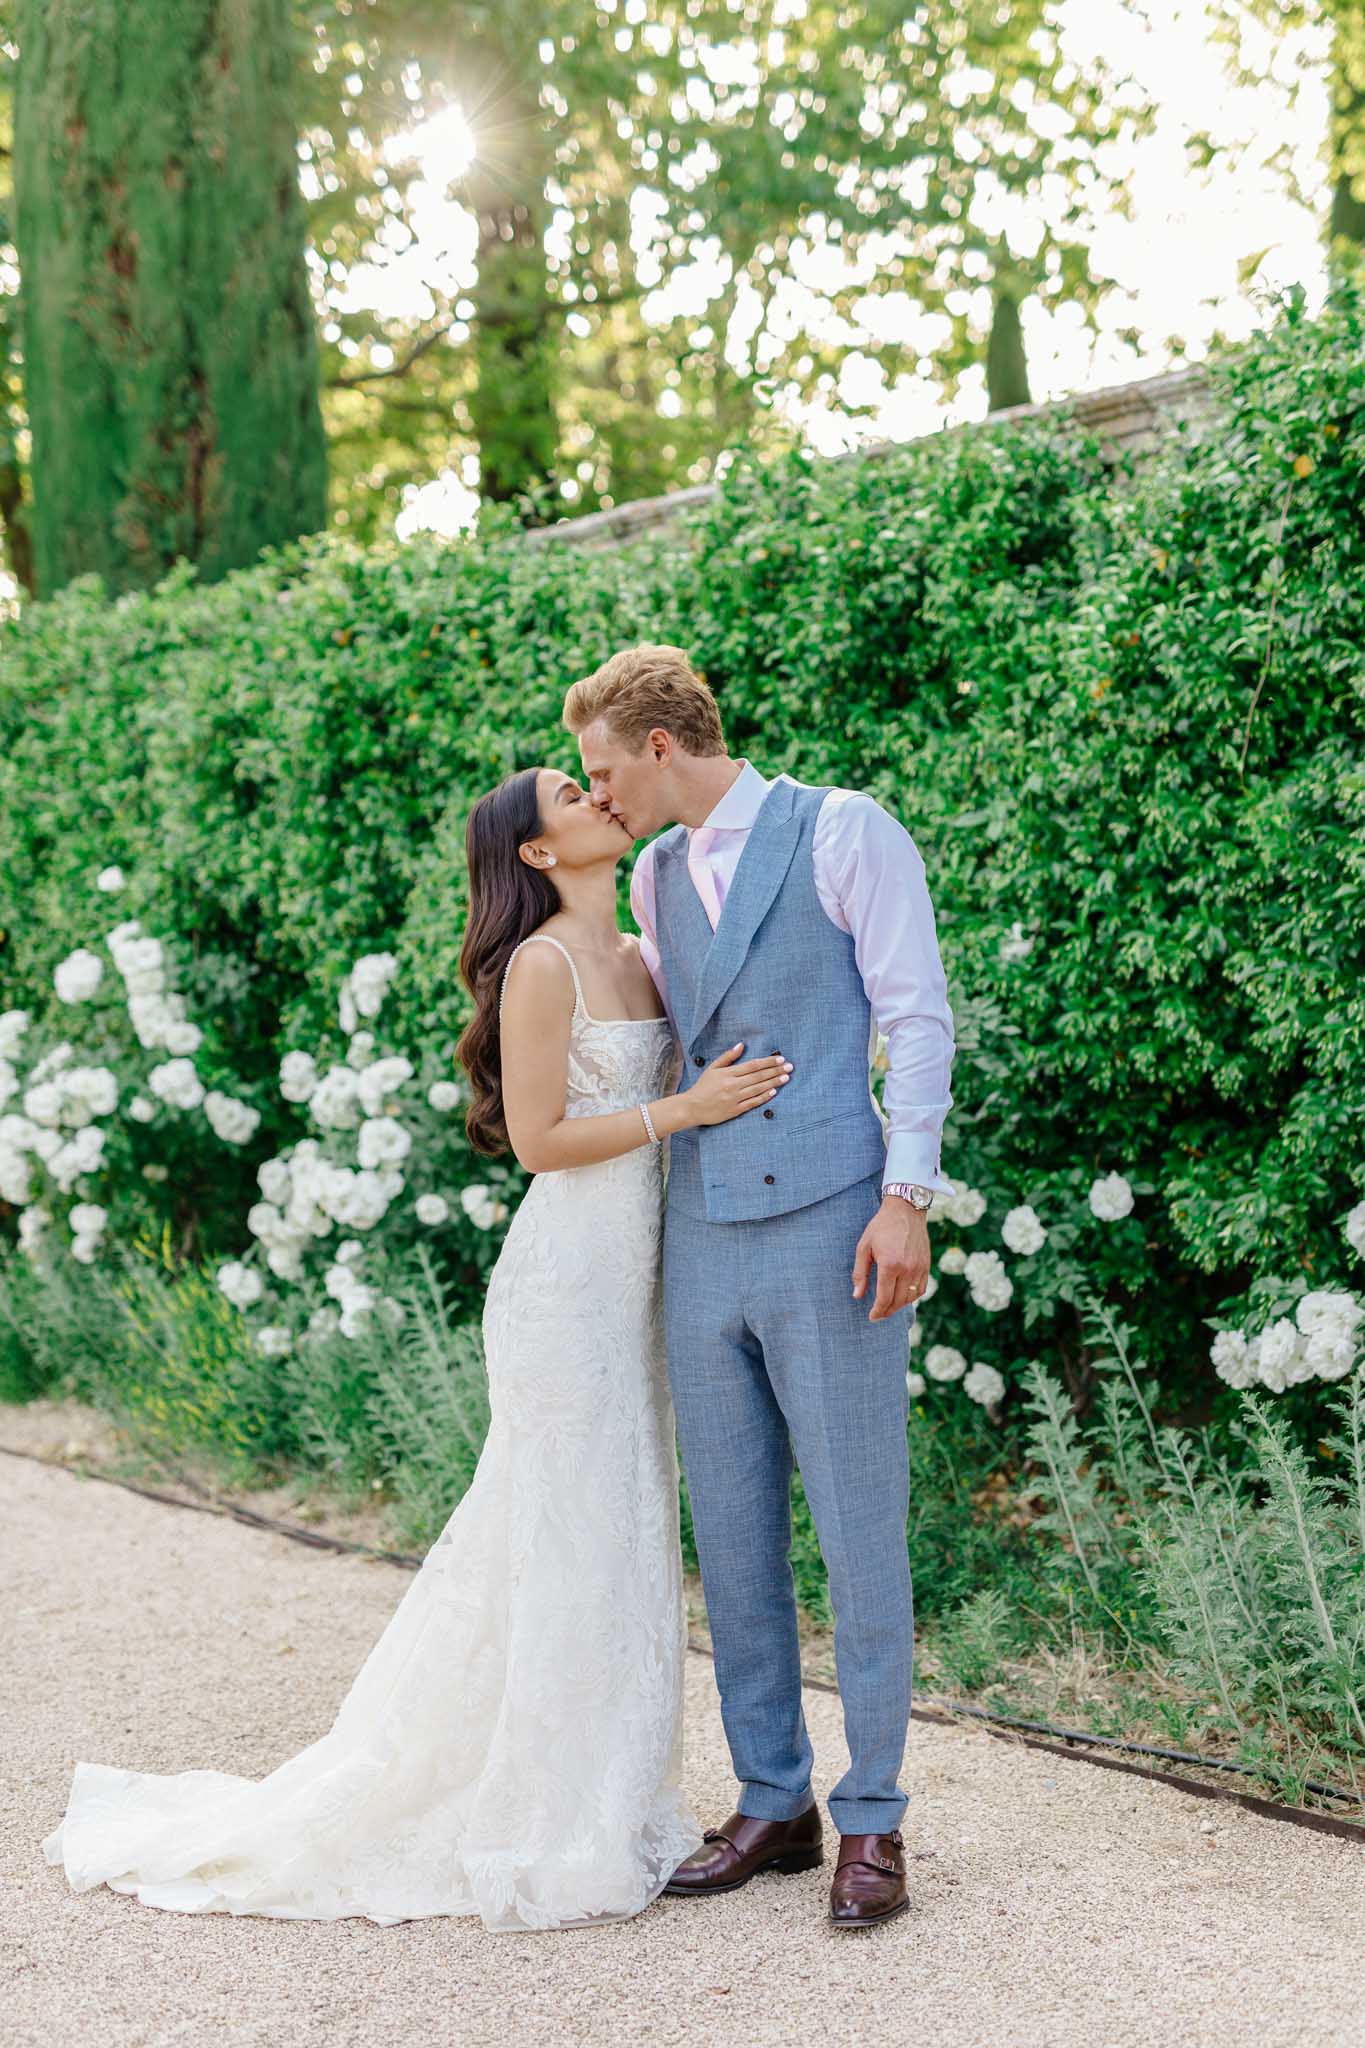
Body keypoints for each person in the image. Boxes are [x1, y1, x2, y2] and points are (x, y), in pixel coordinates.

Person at [40, 764, 791, 1933]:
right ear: (537, 854)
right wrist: (684, 1111)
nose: (599, 796)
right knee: (563, 1531)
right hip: (563, 1289)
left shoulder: (646, 947)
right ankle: (549, 1813)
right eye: (569, 795)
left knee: (626, 1523)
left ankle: (613, 1791)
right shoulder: (542, 966)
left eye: (593, 785)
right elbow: (540, 1140)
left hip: (640, 1283)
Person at [563, 643, 955, 1929]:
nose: (599, 793)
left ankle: (875, 1816)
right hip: (702, 1233)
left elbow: (916, 1016)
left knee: (856, 1525)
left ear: (661, 748)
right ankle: (773, 1797)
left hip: (839, 1221)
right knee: (730, 1537)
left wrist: (909, 1199)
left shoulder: (845, 829)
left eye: (604, 769)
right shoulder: (662, 872)